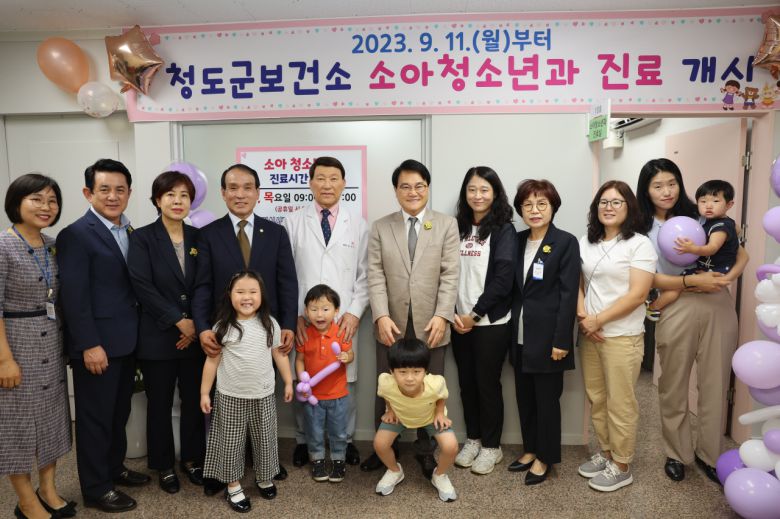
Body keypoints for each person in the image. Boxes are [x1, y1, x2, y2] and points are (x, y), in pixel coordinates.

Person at [635, 159, 746, 484]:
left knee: (715, 383)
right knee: (672, 384)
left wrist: (724, 279)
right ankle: (677, 453)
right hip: (676, 304)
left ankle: (710, 455)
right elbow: (646, 277)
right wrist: (690, 282)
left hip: (716, 303)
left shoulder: (704, 215)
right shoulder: (640, 228)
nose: (666, 191)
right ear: (646, 190)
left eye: (672, 183)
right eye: (658, 186)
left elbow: (741, 255)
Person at [191, 163, 297, 490]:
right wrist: (202, 327)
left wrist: (288, 324)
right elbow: (202, 286)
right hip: (224, 334)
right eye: (233, 188)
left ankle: (265, 464)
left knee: (263, 405)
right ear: (223, 193)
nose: (240, 194)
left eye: (247, 187)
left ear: (258, 192)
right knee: (226, 408)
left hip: (265, 331)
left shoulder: (275, 233)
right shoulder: (208, 234)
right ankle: (223, 470)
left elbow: (287, 282)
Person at [57, 158, 149, 513]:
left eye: (120, 190)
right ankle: (96, 489)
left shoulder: (130, 231)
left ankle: (113, 469)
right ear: (88, 193)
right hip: (97, 345)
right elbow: (74, 297)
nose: (113, 196)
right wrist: (88, 345)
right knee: (95, 419)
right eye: (105, 189)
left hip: (127, 341)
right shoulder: (76, 235)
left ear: (129, 193)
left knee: (117, 413)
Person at [363, 159, 460, 478]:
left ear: (428, 188)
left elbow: (450, 274)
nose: (413, 192)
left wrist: (443, 316)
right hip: (391, 323)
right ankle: (384, 448)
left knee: (430, 386)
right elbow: (375, 274)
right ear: (396, 190)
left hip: (431, 322)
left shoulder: (446, 224)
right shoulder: (381, 226)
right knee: (386, 384)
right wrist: (380, 315)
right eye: (405, 186)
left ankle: (425, 449)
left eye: (419, 186)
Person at [282, 156, 368, 468]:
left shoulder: (357, 224)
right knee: (304, 378)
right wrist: (294, 315)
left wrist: (354, 313)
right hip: (305, 319)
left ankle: (344, 440)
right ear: (310, 183)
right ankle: (304, 440)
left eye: (334, 178)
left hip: (342, 320)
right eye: (320, 178)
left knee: (345, 380)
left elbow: (366, 275)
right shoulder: (293, 222)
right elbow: (286, 275)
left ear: (344, 183)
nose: (327, 184)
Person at [0, 174, 75, 519]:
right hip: (16, 343)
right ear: (16, 202)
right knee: (16, 423)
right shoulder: (3, 245)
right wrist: (5, 360)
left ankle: (48, 488)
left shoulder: (52, 243)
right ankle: (26, 500)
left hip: (51, 340)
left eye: (52, 200)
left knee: (52, 419)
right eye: (36, 199)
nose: (46, 207)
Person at [127, 171, 205, 494]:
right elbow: (142, 286)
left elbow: (206, 283)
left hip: (195, 337)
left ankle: (192, 458)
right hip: (158, 336)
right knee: (159, 403)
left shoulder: (199, 237)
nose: (177, 201)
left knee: (194, 401)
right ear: (157, 200)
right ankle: (163, 465)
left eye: (184, 195)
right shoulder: (142, 238)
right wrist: (178, 320)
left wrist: (195, 324)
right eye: (170, 195)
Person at [576, 181, 657, 492]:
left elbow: (638, 295)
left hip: (623, 336)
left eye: (616, 202)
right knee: (597, 398)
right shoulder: (586, 242)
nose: (608, 207)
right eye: (603, 202)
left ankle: (622, 465)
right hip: (590, 334)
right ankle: (607, 453)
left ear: (629, 208)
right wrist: (584, 319)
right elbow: (577, 284)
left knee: (620, 403)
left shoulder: (639, 244)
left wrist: (599, 320)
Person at [200, 271, 293, 513]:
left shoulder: (270, 323)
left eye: (253, 291)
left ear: (262, 295)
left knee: (265, 439)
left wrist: (288, 381)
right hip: (230, 396)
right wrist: (204, 393)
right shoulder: (223, 326)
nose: (247, 297)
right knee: (231, 443)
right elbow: (212, 361)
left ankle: (264, 477)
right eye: (240, 292)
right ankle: (233, 486)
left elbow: (279, 355)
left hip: (263, 394)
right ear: (230, 295)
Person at [508, 179, 579, 486]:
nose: (534, 210)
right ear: (520, 209)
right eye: (527, 205)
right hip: (519, 335)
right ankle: (530, 449)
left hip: (549, 338)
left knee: (547, 402)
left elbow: (568, 294)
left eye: (541, 204)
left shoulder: (565, 242)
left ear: (553, 207)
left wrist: (562, 340)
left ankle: (546, 457)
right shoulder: (516, 240)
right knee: (524, 398)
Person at [450, 167, 515, 475]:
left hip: (489, 322)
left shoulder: (504, 229)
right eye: (472, 189)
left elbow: (503, 279)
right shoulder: (457, 227)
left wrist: (474, 314)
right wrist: (454, 314)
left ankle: (492, 446)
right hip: (458, 321)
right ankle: (473, 439)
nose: (478, 195)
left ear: (495, 193)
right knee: (466, 384)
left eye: (484, 190)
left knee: (487, 384)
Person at [373, 338, 459, 502]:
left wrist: (440, 413)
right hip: (400, 417)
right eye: (402, 372)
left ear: (425, 371)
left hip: (430, 418)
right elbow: (386, 395)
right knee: (380, 444)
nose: (410, 378)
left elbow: (441, 396)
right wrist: (390, 410)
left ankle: (439, 475)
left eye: (416, 372)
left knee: (451, 446)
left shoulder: (436, 383)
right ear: (392, 371)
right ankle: (394, 471)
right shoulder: (385, 381)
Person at [647, 179, 738, 317]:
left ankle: (654, 307)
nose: (708, 206)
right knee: (678, 287)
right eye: (703, 201)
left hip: (714, 272)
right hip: (707, 272)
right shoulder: (709, 222)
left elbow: (712, 248)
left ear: (729, 204)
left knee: (676, 289)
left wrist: (692, 249)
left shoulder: (721, 226)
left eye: (715, 201)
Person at [295, 284, 353, 483]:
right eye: (314, 309)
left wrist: (346, 356)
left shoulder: (340, 333)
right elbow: (299, 360)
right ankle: (317, 461)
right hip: (312, 397)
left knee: (339, 432)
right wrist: (301, 381)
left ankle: (338, 461)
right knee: (314, 431)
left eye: (325, 309)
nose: (319, 314)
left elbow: (350, 353)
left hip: (338, 395)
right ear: (306, 311)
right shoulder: (305, 335)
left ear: (336, 311)